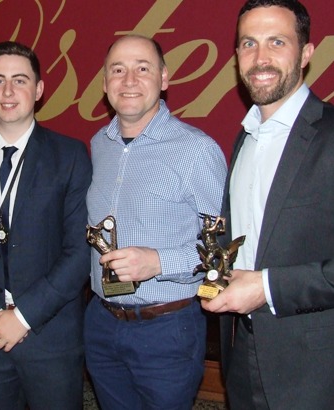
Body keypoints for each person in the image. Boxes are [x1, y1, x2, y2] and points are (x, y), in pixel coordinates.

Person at [0, 41, 92, 409]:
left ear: (38, 90)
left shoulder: (70, 156)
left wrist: (23, 317)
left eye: (19, 80)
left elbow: (79, 252)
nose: (8, 92)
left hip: (50, 337)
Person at [201, 1, 334, 409]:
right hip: (240, 352)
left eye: (277, 42)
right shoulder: (244, 139)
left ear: (306, 54)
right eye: (248, 43)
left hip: (315, 371)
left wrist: (266, 286)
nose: (261, 58)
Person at [85, 34, 227, 409]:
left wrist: (158, 261)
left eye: (142, 68)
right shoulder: (99, 144)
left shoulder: (197, 151)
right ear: (104, 82)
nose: (129, 80)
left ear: (164, 79)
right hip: (102, 322)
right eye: (118, 69)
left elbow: (224, 247)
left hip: (168, 330)